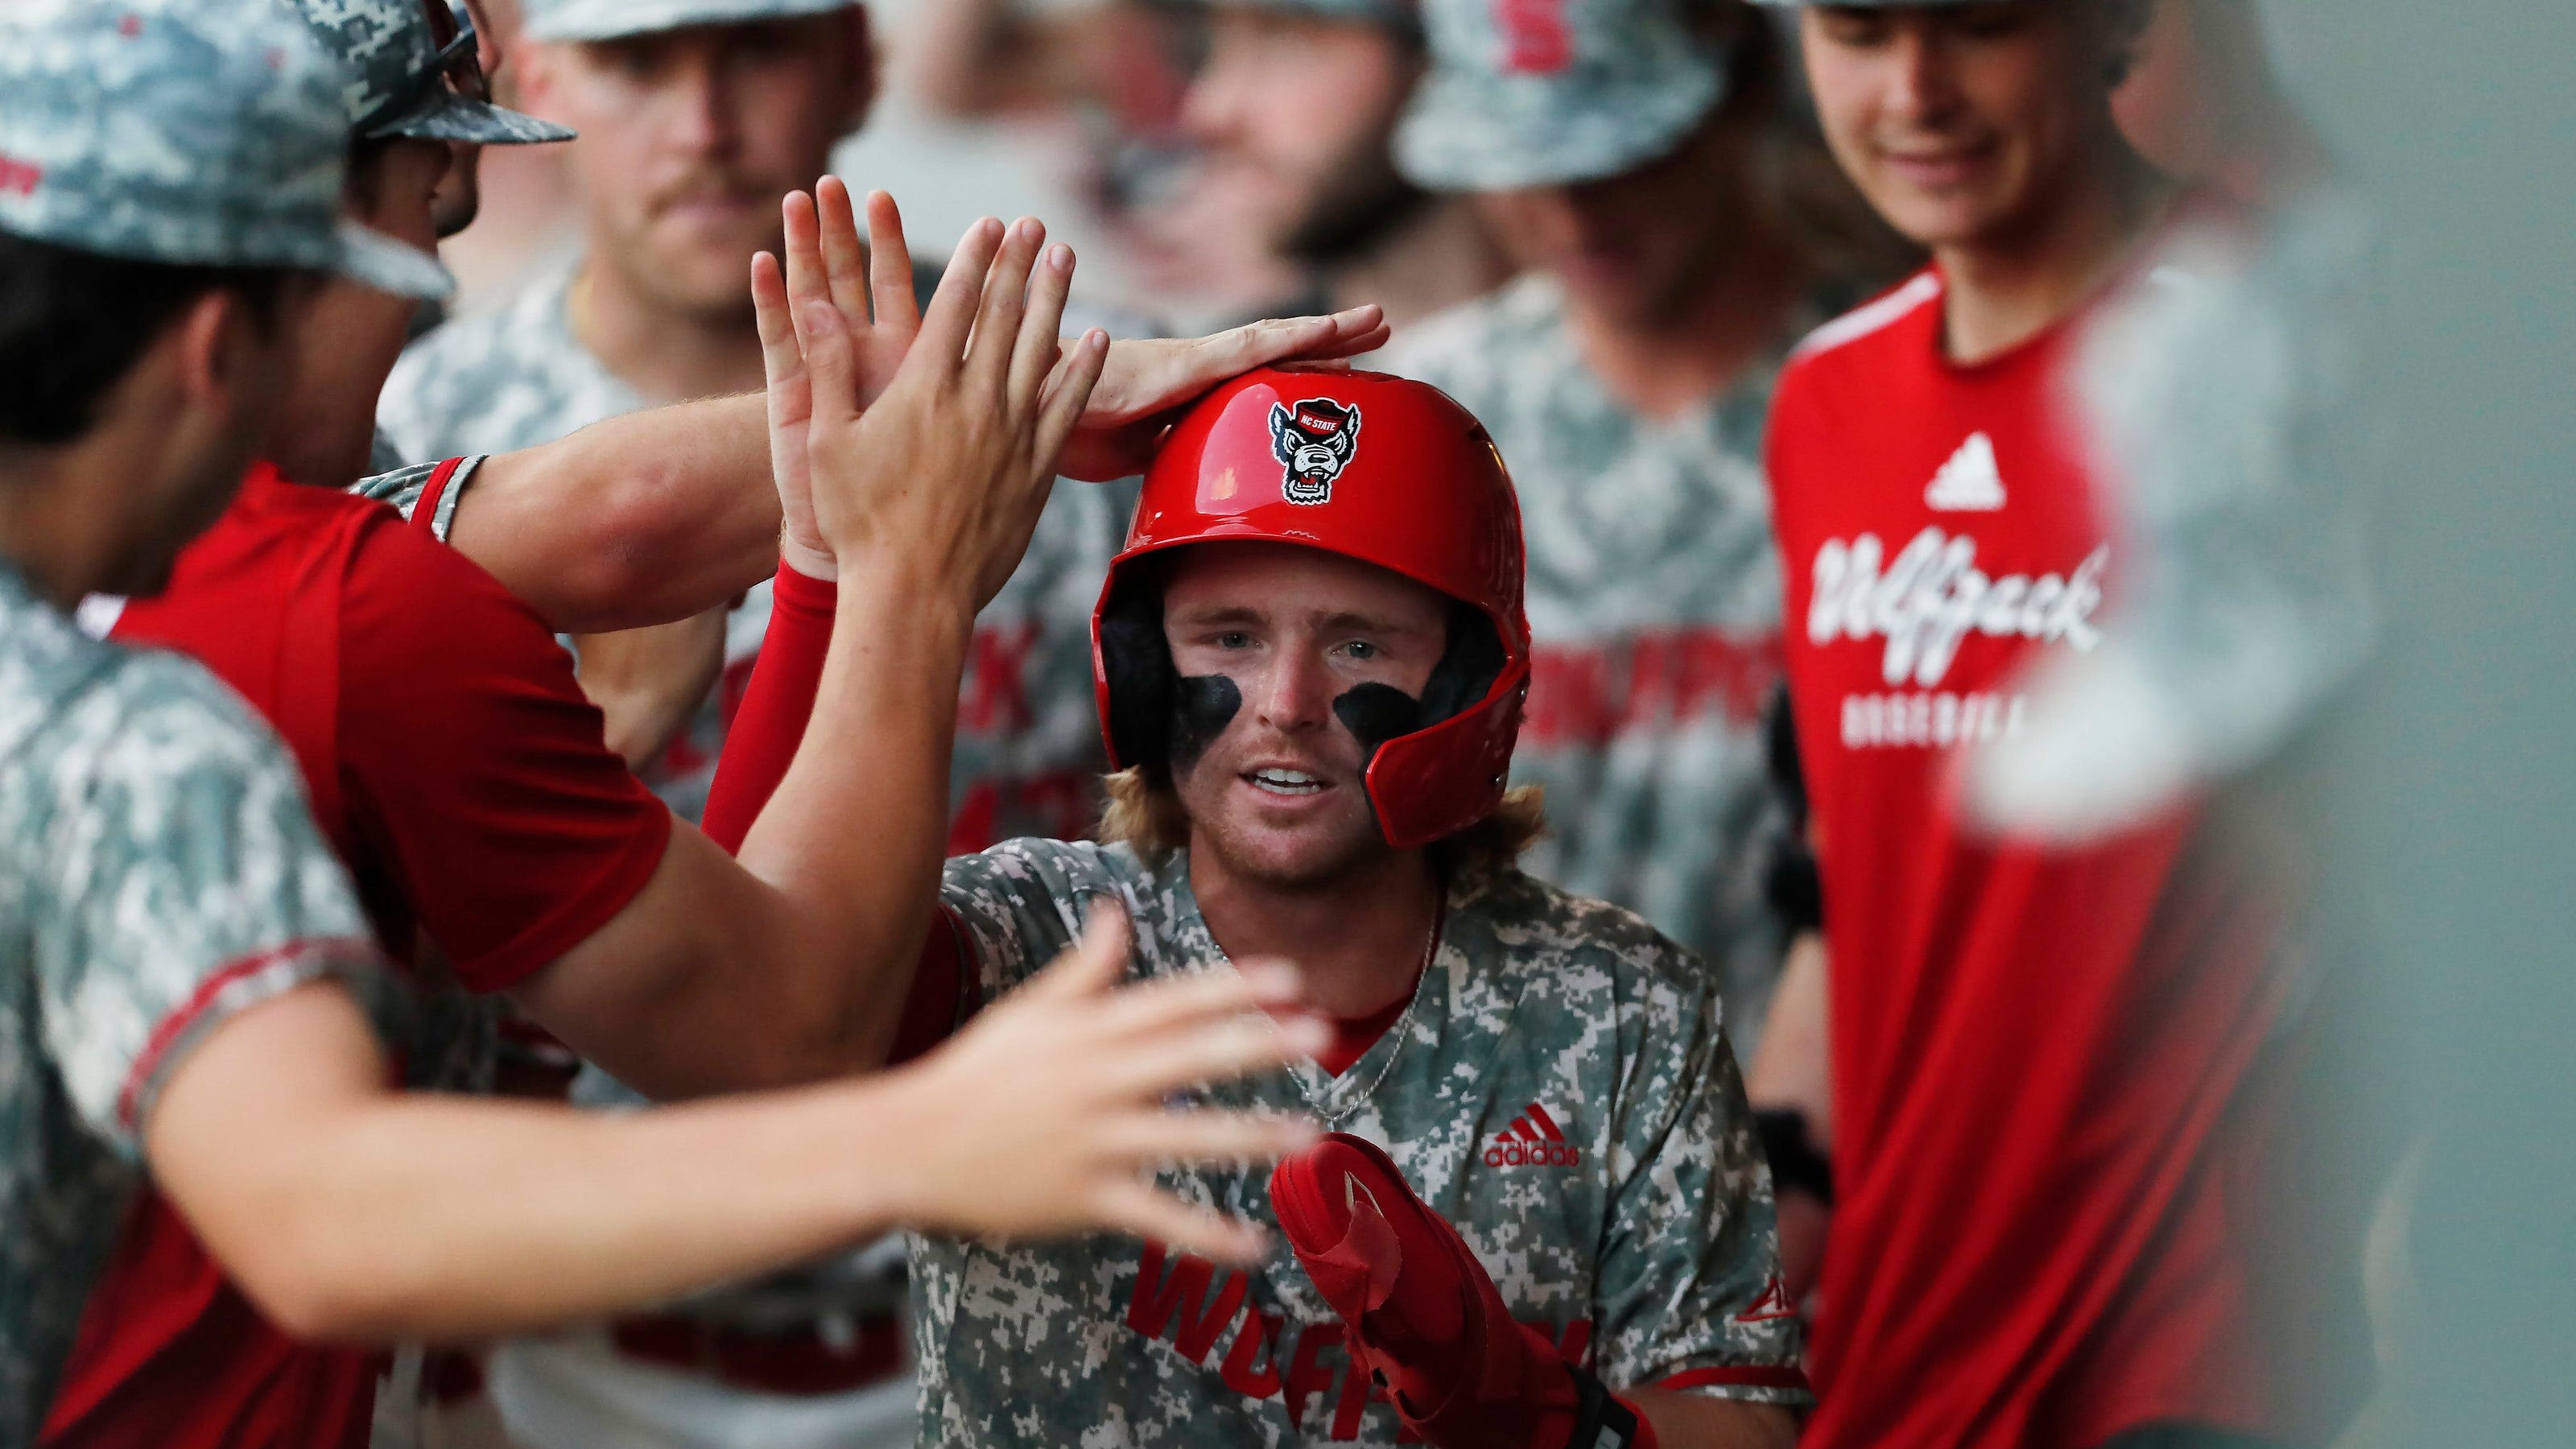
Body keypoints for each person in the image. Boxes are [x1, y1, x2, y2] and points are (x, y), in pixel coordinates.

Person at [0, 5, 1322, 1447]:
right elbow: (339, 1200)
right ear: (216, 340)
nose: (418, 311)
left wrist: (883, 502)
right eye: (401, 252)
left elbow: (583, 522)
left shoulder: (230, 592)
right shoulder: (213, 687)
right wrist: (909, 575)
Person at [702, 364, 1811, 1447]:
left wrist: (1532, 1416)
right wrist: (823, 568)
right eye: (1228, 637)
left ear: (1469, 686)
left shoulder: (1620, 1009)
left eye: (1359, 645)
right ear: (1142, 668)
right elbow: (744, 992)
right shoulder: (1026, 939)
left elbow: (1742, 1409)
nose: (1286, 705)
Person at [1750, 1, 2373, 1445]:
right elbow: (1849, 908)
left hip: (2195, 1366)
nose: (1914, 91)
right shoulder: (1824, 398)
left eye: (1977, 24)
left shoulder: (2298, 350)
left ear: (2116, 20)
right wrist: (1733, 1312)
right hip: (1898, 1360)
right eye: (1856, 28)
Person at [1380, 0, 1896, 1046]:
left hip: (1808, 1133)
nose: (1573, 209)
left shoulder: (1893, 400)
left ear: (1741, 92)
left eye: (1625, 151)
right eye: (1523, 158)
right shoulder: (1424, 418)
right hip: (1481, 1139)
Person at [378, 0, 886, 805]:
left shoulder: (1079, 394)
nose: (703, 130)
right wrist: (615, 722)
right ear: (535, 77)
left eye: (758, 48)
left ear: (856, 62)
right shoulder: (411, 436)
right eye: (635, 62)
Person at [1179, 0, 1511, 336]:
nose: (1211, 110)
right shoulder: (1235, 377)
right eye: (1207, 43)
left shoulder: (1561, 355)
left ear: (1438, 54)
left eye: (1287, 45)